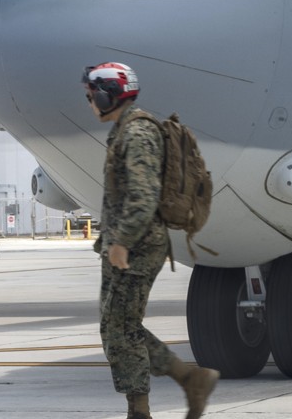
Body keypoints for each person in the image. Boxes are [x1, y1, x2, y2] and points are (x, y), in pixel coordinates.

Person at [86, 62, 218, 419]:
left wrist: (122, 244)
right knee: (117, 327)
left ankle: (141, 410)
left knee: (121, 330)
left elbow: (144, 197)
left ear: (106, 95)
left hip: (138, 247)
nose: (90, 103)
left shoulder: (137, 134)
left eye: (91, 96)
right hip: (126, 244)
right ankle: (190, 379)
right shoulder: (124, 130)